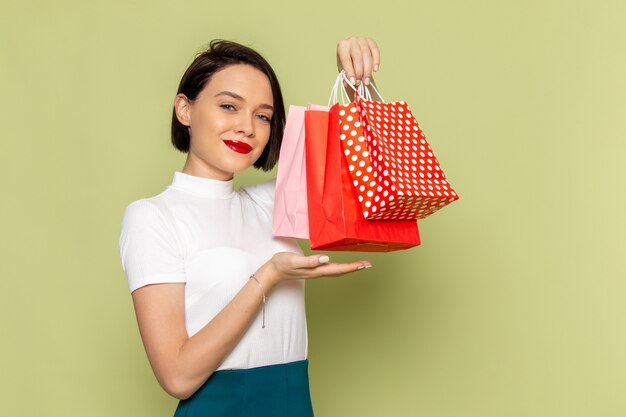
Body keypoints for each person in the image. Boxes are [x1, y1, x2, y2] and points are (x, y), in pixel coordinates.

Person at [119, 36, 380, 417]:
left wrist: (355, 82)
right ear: (185, 110)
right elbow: (177, 377)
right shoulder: (153, 217)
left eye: (263, 115)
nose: (247, 127)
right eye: (229, 106)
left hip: (294, 402)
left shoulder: (271, 203)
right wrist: (268, 275)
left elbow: (363, 173)